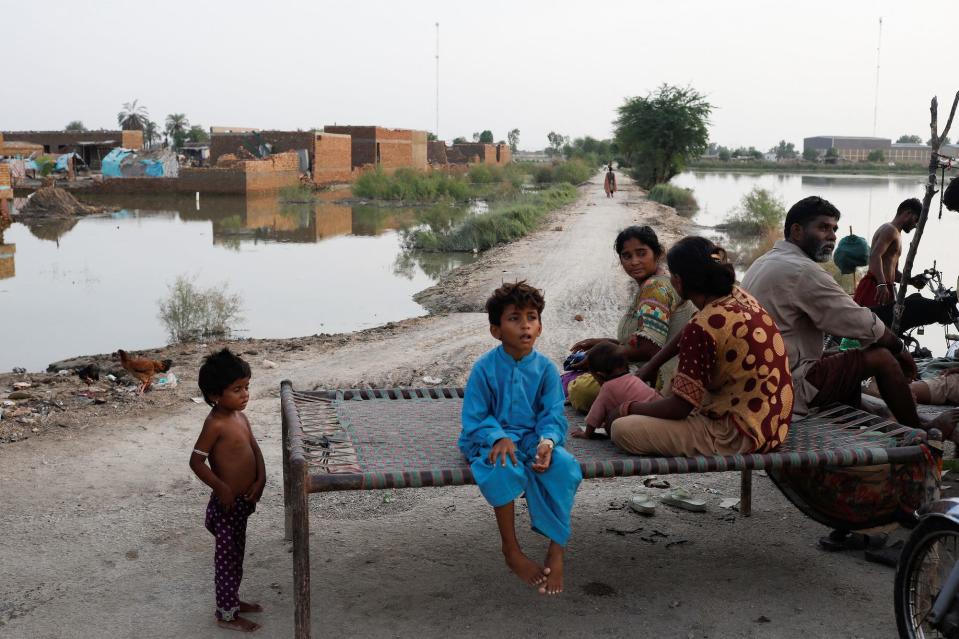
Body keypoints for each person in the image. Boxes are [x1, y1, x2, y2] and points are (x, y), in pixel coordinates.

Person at [741, 195, 958, 439]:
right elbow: (860, 321)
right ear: (797, 231)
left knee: (847, 362)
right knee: (882, 358)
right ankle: (922, 430)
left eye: (834, 229)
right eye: (823, 227)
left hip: (761, 380)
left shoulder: (765, 261)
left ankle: (896, 422)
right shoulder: (802, 270)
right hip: (783, 387)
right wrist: (900, 349)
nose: (832, 236)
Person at [609, 237, 793, 456]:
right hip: (772, 420)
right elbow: (689, 329)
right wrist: (649, 367)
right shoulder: (736, 295)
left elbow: (679, 408)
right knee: (677, 380)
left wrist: (626, 409)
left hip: (739, 434)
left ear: (677, 281)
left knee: (622, 429)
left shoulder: (702, 327)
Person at [459, 281, 582, 596]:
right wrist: (497, 436)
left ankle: (557, 547)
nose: (525, 324)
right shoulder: (484, 368)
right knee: (502, 468)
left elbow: (553, 414)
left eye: (531, 317)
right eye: (514, 318)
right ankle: (511, 550)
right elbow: (475, 415)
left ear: (540, 327)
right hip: (488, 441)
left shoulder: (545, 370)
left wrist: (548, 442)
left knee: (566, 468)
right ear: (496, 330)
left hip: (532, 439)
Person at [567, 225, 695, 411]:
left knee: (580, 389)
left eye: (641, 253)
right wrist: (604, 342)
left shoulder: (655, 288)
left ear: (657, 254)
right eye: (627, 256)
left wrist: (600, 354)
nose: (634, 261)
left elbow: (649, 348)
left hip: (660, 378)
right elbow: (643, 338)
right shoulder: (659, 281)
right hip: (659, 371)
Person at [189, 349, 266, 632]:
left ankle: (232, 601)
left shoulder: (239, 416)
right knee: (226, 562)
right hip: (226, 507)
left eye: (246, 387)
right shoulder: (215, 424)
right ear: (214, 395)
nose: (245, 394)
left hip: (244, 502)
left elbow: (255, 449)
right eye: (237, 389)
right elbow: (196, 461)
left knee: (237, 556)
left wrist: (261, 480)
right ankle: (226, 615)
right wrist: (221, 488)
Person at [571, 341, 660, 440]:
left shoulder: (607, 388)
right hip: (659, 409)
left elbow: (595, 414)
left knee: (613, 427)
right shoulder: (633, 378)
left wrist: (587, 434)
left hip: (645, 422)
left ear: (600, 375)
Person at [853, 198, 923, 307]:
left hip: (885, 288)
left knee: (885, 323)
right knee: (869, 323)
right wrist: (881, 283)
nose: (916, 225)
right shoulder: (889, 229)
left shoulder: (897, 234)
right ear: (908, 213)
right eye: (916, 219)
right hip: (875, 287)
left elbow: (893, 273)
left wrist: (912, 281)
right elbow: (875, 255)